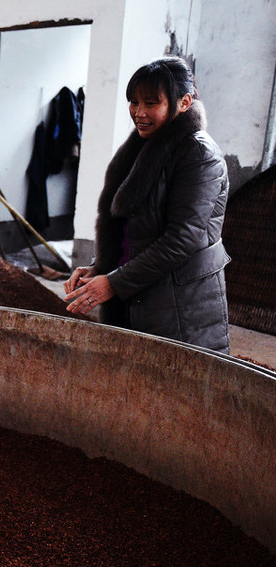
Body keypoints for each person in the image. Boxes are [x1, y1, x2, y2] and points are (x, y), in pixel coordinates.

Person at [64, 56, 230, 353]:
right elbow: (133, 230)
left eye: (151, 103)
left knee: (173, 388)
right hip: (137, 293)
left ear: (184, 102)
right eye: (134, 102)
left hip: (178, 304)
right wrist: (100, 268)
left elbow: (183, 238)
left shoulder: (199, 154)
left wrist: (114, 282)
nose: (139, 113)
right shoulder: (143, 147)